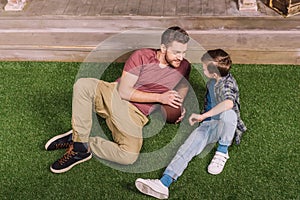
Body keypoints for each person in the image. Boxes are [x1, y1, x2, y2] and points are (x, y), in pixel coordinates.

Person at [44, 26, 192, 174]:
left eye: (184, 52)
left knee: (129, 156)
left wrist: (179, 102)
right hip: (113, 95)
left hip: (136, 114)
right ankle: (79, 146)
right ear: (163, 48)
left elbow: (184, 84)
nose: (180, 57)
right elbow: (124, 91)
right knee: (83, 85)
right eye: (176, 52)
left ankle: (82, 142)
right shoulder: (142, 56)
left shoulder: (184, 65)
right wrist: (161, 97)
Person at [135, 49, 247, 199]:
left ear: (214, 72)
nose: (202, 68)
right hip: (209, 125)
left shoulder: (227, 84)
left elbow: (228, 103)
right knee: (186, 148)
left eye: (204, 67)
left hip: (226, 127)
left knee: (229, 114)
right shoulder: (212, 82)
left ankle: (222, 150)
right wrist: (205, 119)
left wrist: (202, 116)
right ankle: (164, 183)